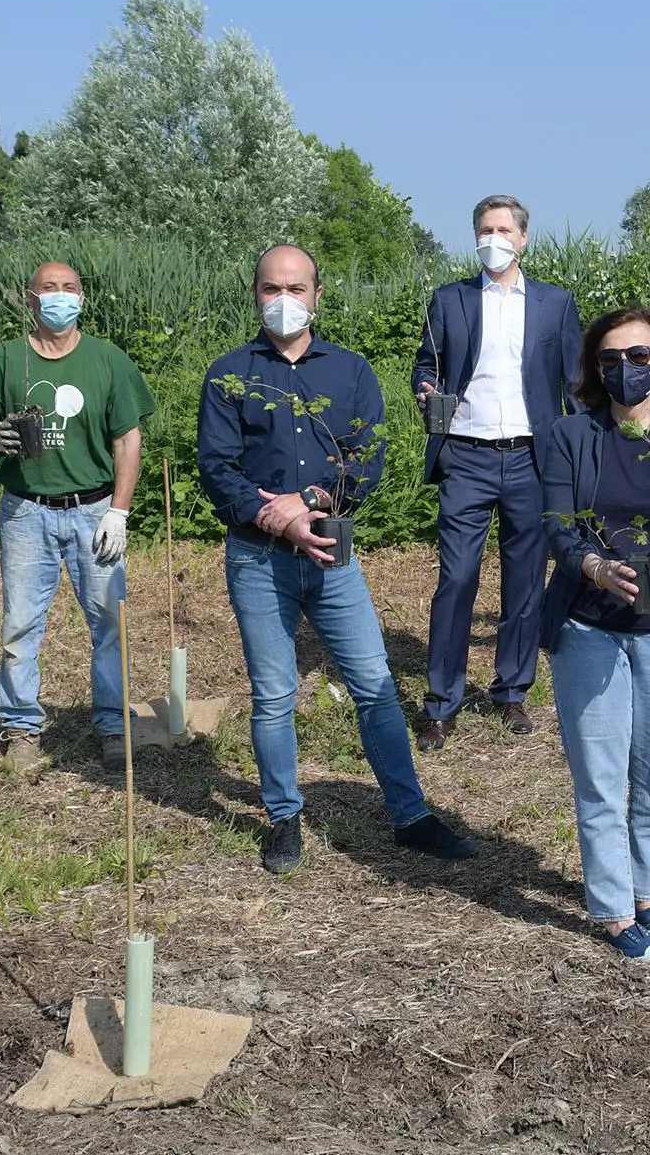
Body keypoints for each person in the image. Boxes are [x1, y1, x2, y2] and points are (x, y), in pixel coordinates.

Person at [198, 244, 480, 877]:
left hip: (332, 555)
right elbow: (217, 467)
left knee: (375, 686)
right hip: (258, 557)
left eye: (296, 289)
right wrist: (272, 515)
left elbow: (367, 457)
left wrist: (309, 502)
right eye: (272, 289)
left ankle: (410, 816)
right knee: (273, 695)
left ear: (317, 296)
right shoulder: (229, 374)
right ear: (255, 295)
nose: (284, 301)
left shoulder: (350, 372)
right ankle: (282, 816)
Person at [539, 308, 650, 960]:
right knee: (600, 775)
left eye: (638, 354)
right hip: (588, 625)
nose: (626, 368)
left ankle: (648, 894)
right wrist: (592, 564)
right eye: (611, 358)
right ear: (596, 368)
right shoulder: (568, 435)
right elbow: (558, 526)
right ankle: (615, 912)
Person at [0, 262, 157, 776]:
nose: (59, 297)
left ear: (83, 298)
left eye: (68, 289)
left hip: (93, 510)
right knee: (20, 624)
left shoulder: (107, 360)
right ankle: (21, 727)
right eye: (48, 289)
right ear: (30, 299)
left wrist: (119, 510)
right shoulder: (6, 359)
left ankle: (113, 726)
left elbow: (127, 438)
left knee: (108, 624)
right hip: (26, 512)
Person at [411, 195, 583, 748]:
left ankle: (511, 689)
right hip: (466, 453)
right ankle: (442, 700)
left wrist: (581, 455)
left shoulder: (556, 305)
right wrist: (425, 391)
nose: (493, 238)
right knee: (457, 576)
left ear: (523, 238)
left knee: (525, 579)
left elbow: (575, 385)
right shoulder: (450, 300)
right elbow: (426, 364)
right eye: (485, 229)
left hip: (533, 456)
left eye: (503, 229)